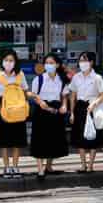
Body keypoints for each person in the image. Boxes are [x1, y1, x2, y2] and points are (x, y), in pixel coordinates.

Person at [0, 50, 29, 178]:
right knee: (4, 141)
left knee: (17, 141)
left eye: (11, 60)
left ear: (15, 62)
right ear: (2, 61)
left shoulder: (20, 75)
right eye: (6, 60)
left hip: (18, 111)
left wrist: (36, 99)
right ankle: (6, 167)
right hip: (4, 111)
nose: (8, 63)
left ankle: (15, 166)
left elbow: (26, 91)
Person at [30, 53, 69, 181]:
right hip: (42, 111)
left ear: (57, 65)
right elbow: (33, 95)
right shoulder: (39, 79)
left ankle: (49, 166)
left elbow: (64, 96)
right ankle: (40, 169)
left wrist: (64, 106)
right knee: (40, 140)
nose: (49, 65)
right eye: (47, 63)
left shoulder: (62, 79)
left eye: (52, 63)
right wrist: (40, 102)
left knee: (53, 139)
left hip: (56, 112)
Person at [69, 52, 103, 173]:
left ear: (91, 62)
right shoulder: (76, 77)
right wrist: (72, 113)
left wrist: (94, 104)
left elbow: (102, 96)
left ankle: (91, 165)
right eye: (80, 61)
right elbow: (72, 95)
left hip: (92, 108)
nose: (82, 63)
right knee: (80, 137)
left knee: (93, 138)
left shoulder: (97, 78)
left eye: (84, 60)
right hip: (80, 108)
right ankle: (83, 165)